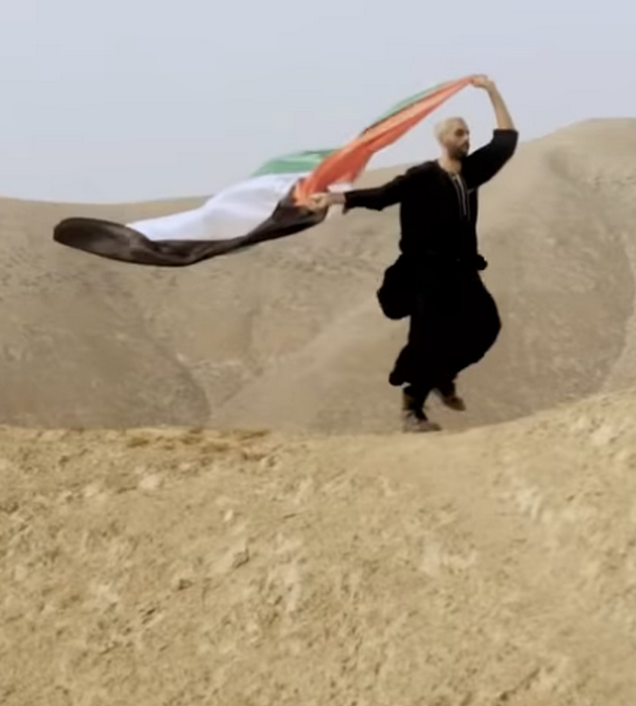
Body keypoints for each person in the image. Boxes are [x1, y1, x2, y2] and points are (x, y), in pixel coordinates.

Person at [307, 75, 518, 432]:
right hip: (426, 273)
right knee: (427, 339)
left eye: (468, 133)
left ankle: (442, 377)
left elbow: (506, 141)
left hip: (462, 270)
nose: (466, 139)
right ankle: (412, 408)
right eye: (459, 133)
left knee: (486, 327)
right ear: (443, 140)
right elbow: (382, 196)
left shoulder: (471, 173)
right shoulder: (422, 177)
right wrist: (336, 198)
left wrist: (492, 91)